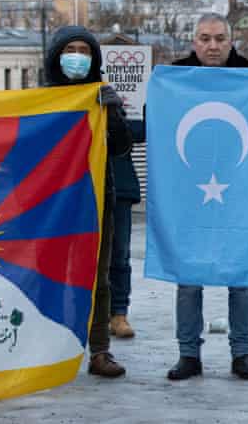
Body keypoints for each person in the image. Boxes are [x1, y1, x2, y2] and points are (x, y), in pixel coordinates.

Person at [166, 13, 248, 382]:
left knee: (241, 275)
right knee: (188, 277)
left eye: (220, 38)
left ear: (230, 41)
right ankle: (188, 355)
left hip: (237, 191)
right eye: (205, 38)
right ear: (194, 42)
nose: (213, 46)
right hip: (189, 191)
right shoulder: (175, 79)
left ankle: (243, 354)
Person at [43, 25, 133, 378]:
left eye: (84, 50)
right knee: (50, 273)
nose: (78, 57)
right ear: (56, 55)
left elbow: (123, 148)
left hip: (96, 196)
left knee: (99, 276)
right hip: (51, 201)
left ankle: (99, 351)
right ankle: (49, 347)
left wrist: (112, 115)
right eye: (71, 49)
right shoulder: (41, 100)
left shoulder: (101, 96)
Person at [108, 119, 142, 339]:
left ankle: (118, 313)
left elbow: (145, 129)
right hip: (82, 183)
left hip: (119, 185)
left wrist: (115, 122)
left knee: (119, 254)